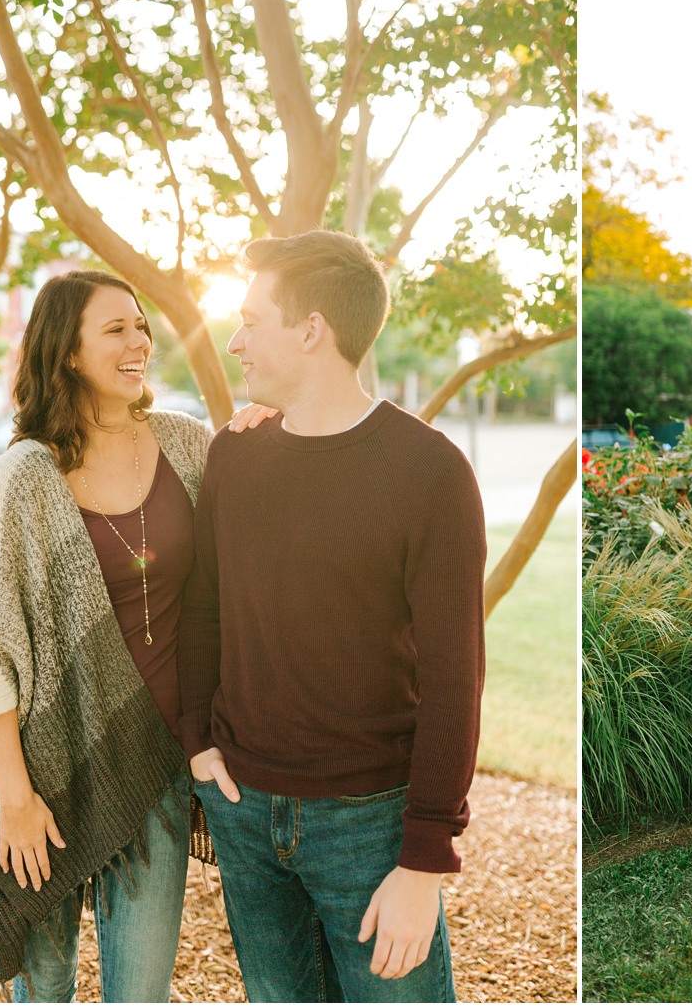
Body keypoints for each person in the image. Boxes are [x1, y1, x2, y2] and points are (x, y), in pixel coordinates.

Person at [179, 228, 485, 1003]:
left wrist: (424, 859)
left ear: (312, 328)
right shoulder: (235, 456)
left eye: (252, 320)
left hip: (371, 825)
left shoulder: (430, 471)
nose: (237, 340)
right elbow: (205, 607)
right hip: (245, 812)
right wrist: (198, 742)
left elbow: (456, 678)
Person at [0, 270, 214, 1000]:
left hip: (155, 761)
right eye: (115, 329)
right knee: (45, 991)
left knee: (141, 993)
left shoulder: (188, 443)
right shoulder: (28, 472)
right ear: (68, 352)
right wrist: (18, 797)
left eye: (142, 326)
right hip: (42, 773)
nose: (139, 342)